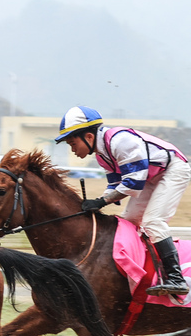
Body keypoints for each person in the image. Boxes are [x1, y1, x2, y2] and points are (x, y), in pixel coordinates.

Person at [56, 105, 191, 296]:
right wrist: (98, 201)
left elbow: (133, 183)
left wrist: (101, 202)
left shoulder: (120, 141)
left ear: (88, 136)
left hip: (173, 169)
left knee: (153, 222)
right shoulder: (102, 156)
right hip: (151, 176)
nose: (73, 150)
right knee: (129, 221)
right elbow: (115, 186)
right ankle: (148, 271)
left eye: (72, 143)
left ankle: (176, 279)